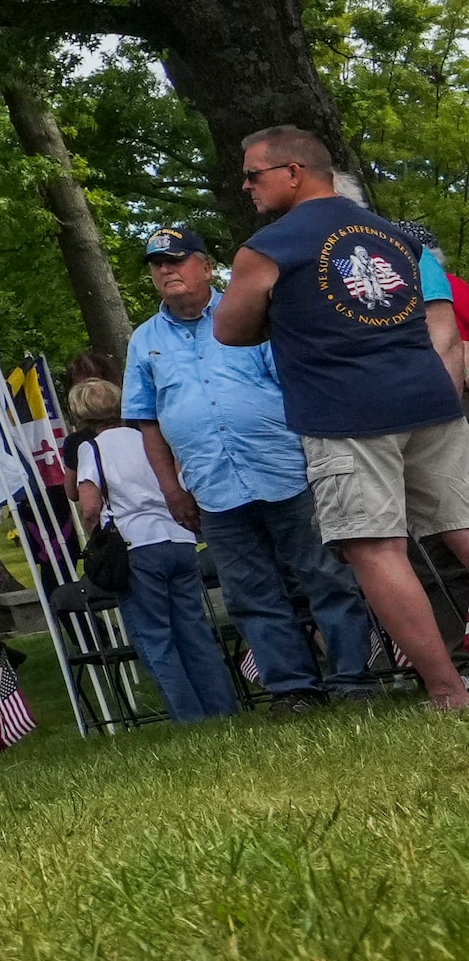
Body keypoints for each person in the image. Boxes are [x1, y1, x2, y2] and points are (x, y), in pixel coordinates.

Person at [208, 127, 469, 709]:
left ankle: (449, 691)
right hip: (429, 397)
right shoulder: (396, 235)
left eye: (255, 174)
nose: (246, 185)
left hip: (346, 411)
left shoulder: (269, 247)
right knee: (461, 526)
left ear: (295, 172)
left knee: (375, 548)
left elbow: (228, 328)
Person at [124, 224, 370, 710]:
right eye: (157, 264)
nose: (167, 270)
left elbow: (296, 386)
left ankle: (354, 680)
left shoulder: (249, 315)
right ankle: (292, 689)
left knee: (325, 576)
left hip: (286, 471)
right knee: (250, 595)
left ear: (204, 264)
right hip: (211, 486)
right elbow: (147, 423)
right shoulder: (143, 341)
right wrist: (171, 490)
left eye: (176, 259)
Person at [67, 376, 235, 723]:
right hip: (179, 538)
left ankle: (188, 717)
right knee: (194, 631)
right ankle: (223, 710)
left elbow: (88, 505)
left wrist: (95, 535)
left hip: (136, 544)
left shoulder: (92, 449)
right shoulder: (149, 439)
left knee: (155, 637)